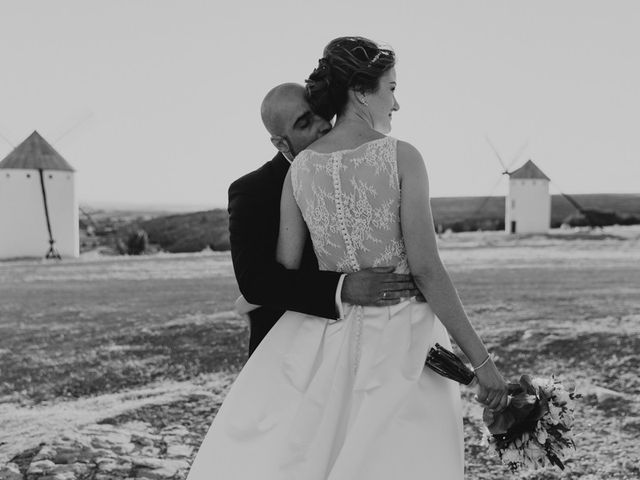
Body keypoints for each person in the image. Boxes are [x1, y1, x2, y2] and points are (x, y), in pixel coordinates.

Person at [187, 37, 508, 480]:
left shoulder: (300, 170)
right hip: (403, 339)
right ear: (361, 90)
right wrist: (483, 363)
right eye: (391, 88)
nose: (396, 102)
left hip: (329, 342)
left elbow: (286, 265)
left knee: (326, 452)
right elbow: (428, 270)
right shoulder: (402, 156)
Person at [228, 82, 419, 356]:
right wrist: (343, 288)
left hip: (369, 340)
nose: (323, 125)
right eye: (305, 123)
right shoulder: (252, 190)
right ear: (280, 142)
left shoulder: (363, 166)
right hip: (286, 351)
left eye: (322, 113)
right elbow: (256, 283)